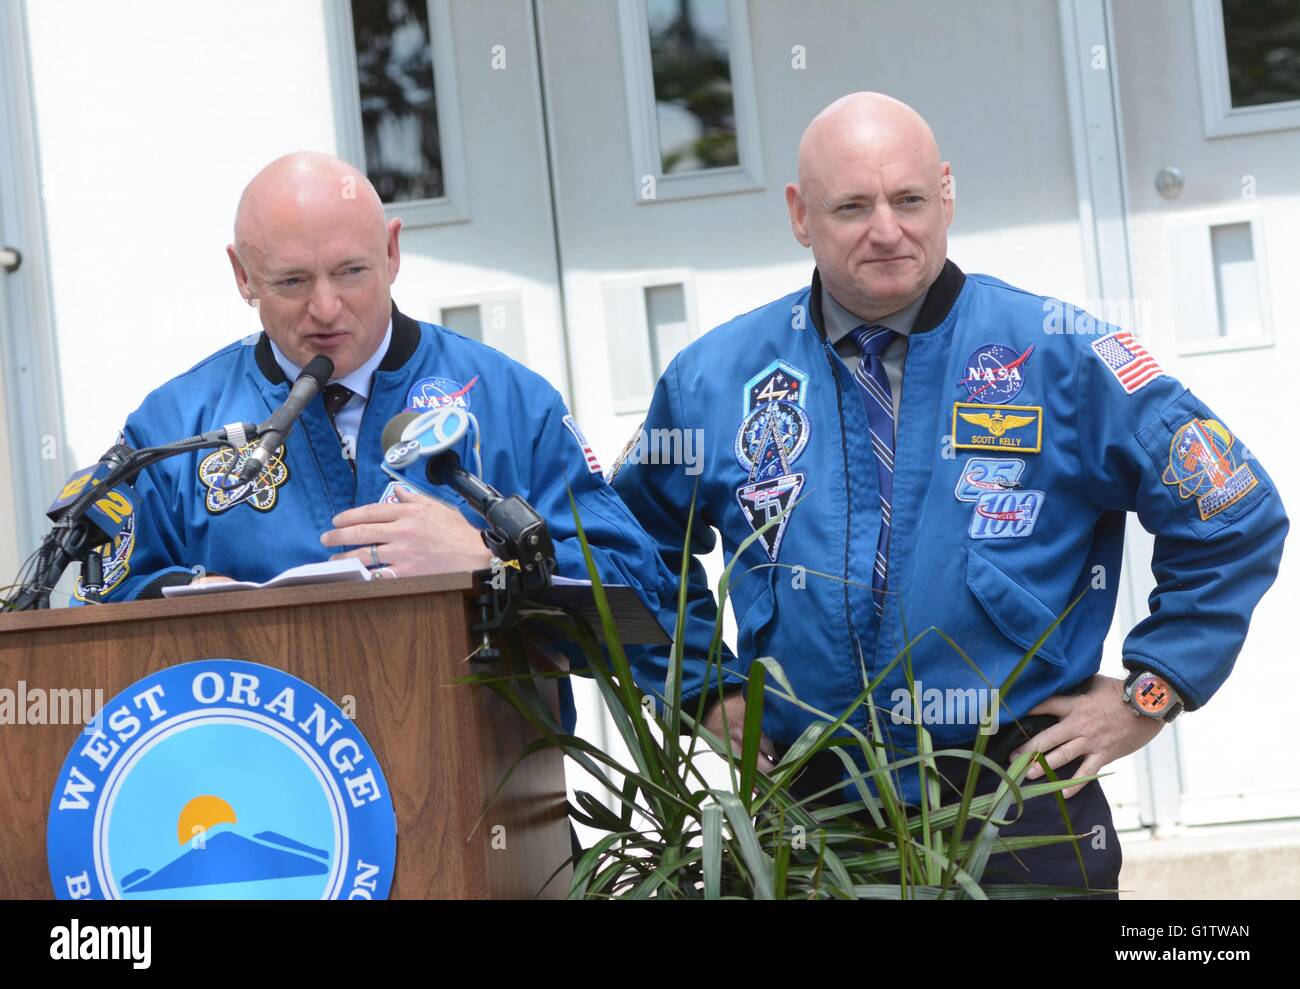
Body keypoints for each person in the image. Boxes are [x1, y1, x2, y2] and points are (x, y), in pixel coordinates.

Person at [611, 93, 1289, 896]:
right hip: (808, 806)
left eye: (909, 200)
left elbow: (1232, 509)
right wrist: (703, 688)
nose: (888, 230)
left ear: (947, 194)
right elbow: (628, 541)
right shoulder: (715, 378)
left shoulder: (1060, 355)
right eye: (853, 206)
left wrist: (1153, 688)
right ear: (800, 215)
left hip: (1019, 801)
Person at [76, 152, 676, 726]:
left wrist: (491, 565)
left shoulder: (508, 401)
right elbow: (94, 621)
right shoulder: (174, 427)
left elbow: (642, 611)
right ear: (242, 276)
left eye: (350, 271)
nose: (325, 308)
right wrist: (188, 599)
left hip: (483, 798)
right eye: (290, 281)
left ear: (392, 251)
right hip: (263, 797)